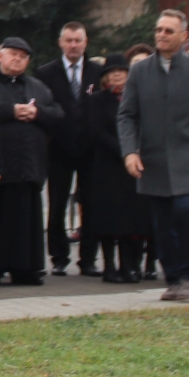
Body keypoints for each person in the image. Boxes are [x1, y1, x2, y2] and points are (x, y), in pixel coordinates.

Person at [117, 9, 189, 302]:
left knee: (185, 212)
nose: (161, 35)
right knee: (162, 223)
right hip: (153, 161)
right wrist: (130, 152)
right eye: (159, 29)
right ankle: (173, 278)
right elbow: (127, 115)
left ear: (183, 36)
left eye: (168, 31)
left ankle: (187, 277)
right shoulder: (140, 71)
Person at [0, 38, 61, 287]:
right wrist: (11, 111)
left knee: (26, 222)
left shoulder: (37, 86)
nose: (18, 59)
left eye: (23, 56)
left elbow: (58, 114)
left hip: (29, 166)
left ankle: (26, 268)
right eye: (13, 54)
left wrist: (37, 113)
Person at [36, 21, 99, 277]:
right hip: (58, 149)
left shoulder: (97, 71)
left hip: (90, 150)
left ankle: (88, 259)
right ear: (61, 42)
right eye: (69, 40)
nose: (73, 45)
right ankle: (59, 257)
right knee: (57, 204)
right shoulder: (45, 73)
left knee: (91, 205)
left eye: (78, 40)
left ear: (86, 42)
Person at [77, 55, 144, 281]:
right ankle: (109, 267)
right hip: (106, 166)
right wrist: (124, 150)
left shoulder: (136, 97)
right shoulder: (96, 99)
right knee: (107, 219)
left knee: (129, 219)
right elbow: (95, 131)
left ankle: (128, 266)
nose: (116, 75)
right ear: (105, 77)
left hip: (131, 168)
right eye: (111, 72)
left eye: (121, 71)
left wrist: (133, 151)